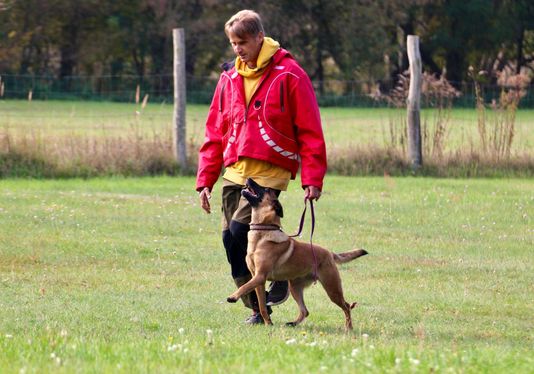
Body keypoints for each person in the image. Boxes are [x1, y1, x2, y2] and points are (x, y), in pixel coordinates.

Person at [196, 9, 327, 325]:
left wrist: (313, 178)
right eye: (232, 43)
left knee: (243, 229)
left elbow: (310, 130)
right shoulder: (229, 77)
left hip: (270, 171)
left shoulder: (290, 74)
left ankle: (278, 272)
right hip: (234, 170)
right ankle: (258, 308)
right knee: (231, 240)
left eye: (242, 41)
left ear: (259, 37)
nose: (237, 48)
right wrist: (205, 180)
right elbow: (215, 130)